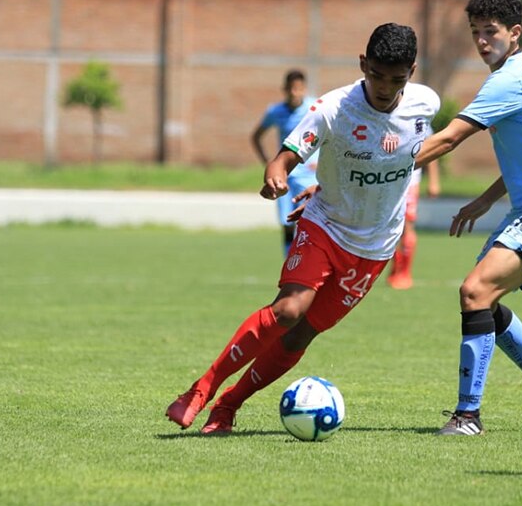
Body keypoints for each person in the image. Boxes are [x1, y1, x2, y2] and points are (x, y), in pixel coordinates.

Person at [167, 23, 440, 435]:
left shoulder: (426, 103)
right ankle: (201, 388)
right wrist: (276, 176)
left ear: (412, 72)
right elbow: (284, 158)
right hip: (325, 225)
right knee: (289, 310)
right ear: (362, 64)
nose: (385, 87)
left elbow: (416, 151)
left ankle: (227, 407)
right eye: (377, 75)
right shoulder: (332, 109)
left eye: (396, 79)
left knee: (299, 336)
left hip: (375, 246)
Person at [412, 0, 522, 435]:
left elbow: (450, 138)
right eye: (475, 31)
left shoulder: (509, 80)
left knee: (475, 292)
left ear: (515, 32)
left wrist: (381, 167)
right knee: (483, 298)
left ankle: (468, 416)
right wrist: (486, 200)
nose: (481, 40)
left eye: (490, 31)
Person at [251, 69, 319, 256]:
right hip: (286, 176)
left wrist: (322, 161)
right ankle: (289, 262)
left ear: (305, 89)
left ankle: (307, 261)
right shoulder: (275, 111)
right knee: (287, 223)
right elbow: (256, 136)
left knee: (308, 222)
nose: (295, 93)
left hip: (309, 176)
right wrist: (269, 162)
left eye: (299, 89)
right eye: (291, 89)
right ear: (285, 89)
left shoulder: (315, 108)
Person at [386, 155, 440, 289]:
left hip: (409, 184)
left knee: (407, 227)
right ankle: (395, 266)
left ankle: (404, 272)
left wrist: (434, 181)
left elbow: (433, 150)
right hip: (385, 182)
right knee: (388, 228)